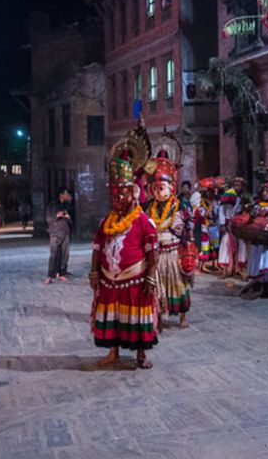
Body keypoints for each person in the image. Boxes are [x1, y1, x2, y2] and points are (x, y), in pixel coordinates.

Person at [89, 123, 159, 369]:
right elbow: (98, 247)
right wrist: (94, 271)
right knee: (113, 319)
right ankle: (113, 352)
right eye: (113, 196)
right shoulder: (106, 221)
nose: (116, 200)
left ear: (133, 193)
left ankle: (140, 355)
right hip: (110, 281)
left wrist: (151, 275)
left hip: (135, 279)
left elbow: (152, 251)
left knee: (138, 318)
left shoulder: (143, 221)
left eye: (121, 195)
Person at [146, 133, 191, 328]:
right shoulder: (149, 207)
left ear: (172, 188)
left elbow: (185, 232)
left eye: (162, 187)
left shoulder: (179, 207)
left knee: (177, 285)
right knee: (157, 287)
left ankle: (182, 317)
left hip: (173, 254)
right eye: (155, 188)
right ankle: (159, 316)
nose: (158, 192)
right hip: (157, 255)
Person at [217, 177, 248, 278]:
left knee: (241, 244)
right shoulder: (228, 196)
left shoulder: (241, 198)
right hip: (228, 223)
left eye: (239, 186)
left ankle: (239, 267)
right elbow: (222, 210)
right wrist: (223, 224)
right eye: (235, 185)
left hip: (238, 224)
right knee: (226, 244)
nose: (237, 187)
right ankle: (225, 269)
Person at [44, 187, 73, 284]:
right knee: (54, 254)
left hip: (65, 232)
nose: (67, 195)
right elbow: (48, 219)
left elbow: (71, 221)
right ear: (61, 195)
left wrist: (68, 217)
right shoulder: (52, 205)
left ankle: (62, 273)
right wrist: (57, 216)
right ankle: (50, 275)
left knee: (65, 255)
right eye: (66, 194)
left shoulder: (67, 205)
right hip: (55, 233)